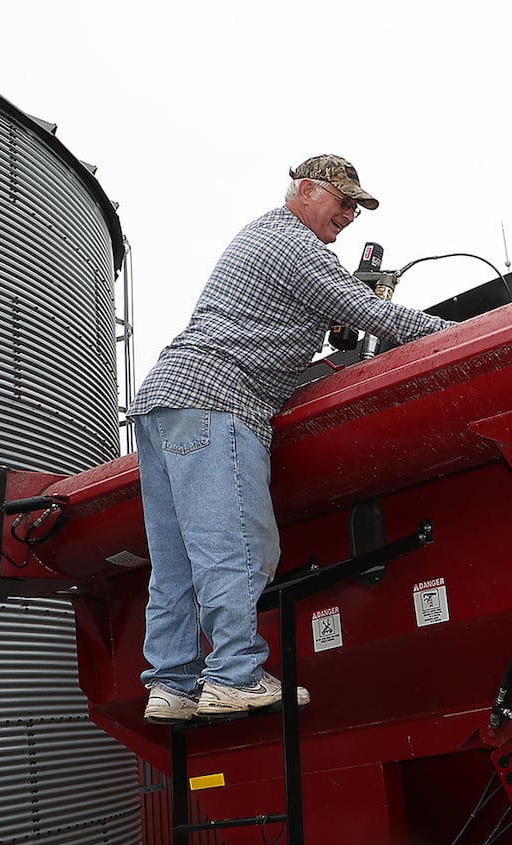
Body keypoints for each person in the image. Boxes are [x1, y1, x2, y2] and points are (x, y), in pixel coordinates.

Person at [129, 155, 451, 724]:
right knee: (238, 546)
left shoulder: (263, 239)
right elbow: (369, 313)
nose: (350, 215)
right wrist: (460, 332)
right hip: (218, 399)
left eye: (357, 207)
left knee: (177, 562)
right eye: (343, 202)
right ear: (305, 191)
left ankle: (172, 684)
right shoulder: (297, 245)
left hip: (162, 406)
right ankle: (235, 675)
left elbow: (303, 317)